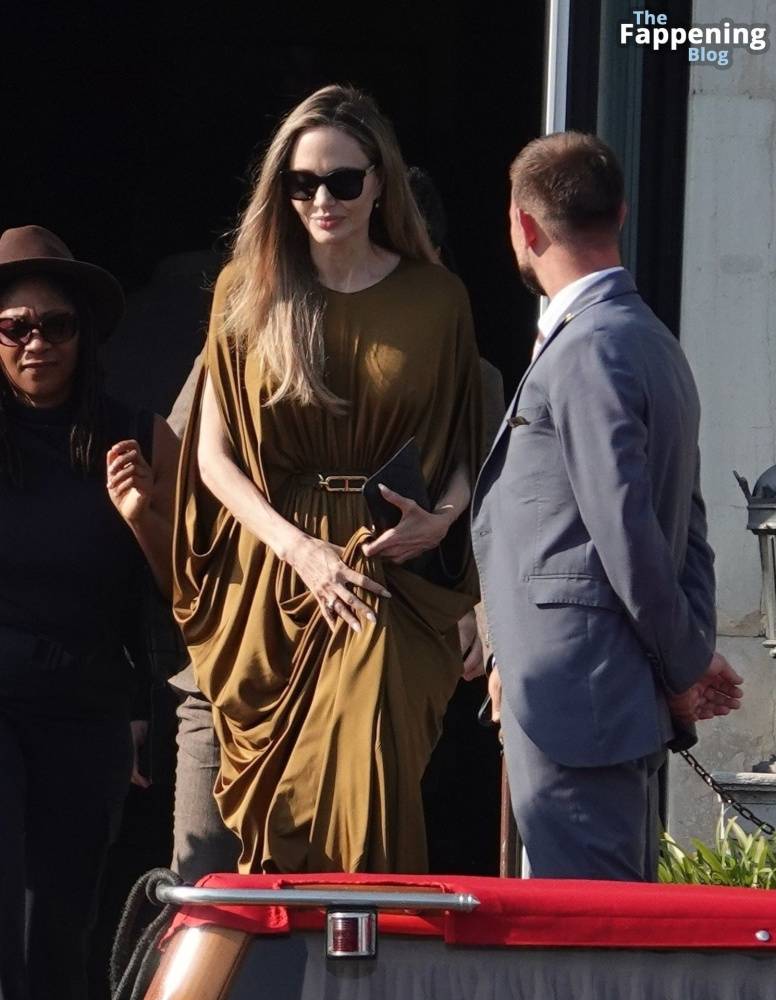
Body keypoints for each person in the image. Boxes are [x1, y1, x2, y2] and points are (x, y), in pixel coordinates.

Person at [172, 84, 484, 874]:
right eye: (302, 183)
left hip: (388, 567)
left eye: (343, 180)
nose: (323, 199)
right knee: (271, 822)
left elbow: (463, 444)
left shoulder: (438, 299)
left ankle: (359, 964)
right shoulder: (247, 293)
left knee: (364, 782)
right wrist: (301, 551)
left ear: (380, 182)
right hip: (273, 561)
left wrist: (443, 519)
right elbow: (213, 458)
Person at [471, 132, 744, 882]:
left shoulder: (589, 346)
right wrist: (688, 651)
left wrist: (686, 663)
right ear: (619, 212)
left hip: (579, 704)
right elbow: (687, 525)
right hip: (607, 699)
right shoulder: (653, 340)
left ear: (524, 227)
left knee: (583, 939)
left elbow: (628, 534)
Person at [0, 225, 179, 1000]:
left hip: (89, 707)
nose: (36, 342)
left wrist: (143, 511)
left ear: (84, 333)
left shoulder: (138, 434)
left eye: (56, 325)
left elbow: (190, 589)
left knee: (61, 930)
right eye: (15, 327)